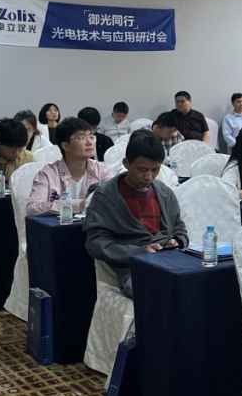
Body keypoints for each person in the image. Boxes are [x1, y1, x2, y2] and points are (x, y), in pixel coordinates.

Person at [83, 130, 188, 299]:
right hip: (132, 270)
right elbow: (96, 243)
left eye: (155, 170)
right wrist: (140, 252)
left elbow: (179, 227)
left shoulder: (165, 193)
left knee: (199, 287)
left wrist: (177, 241)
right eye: (142, 170)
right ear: (126, 163)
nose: (149, 177)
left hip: (170, 263)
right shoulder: (107, 196)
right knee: (163, 294)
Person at [27, 117, 115, 216]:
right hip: (59, 225)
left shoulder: (101, 170)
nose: (89, 142)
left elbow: (114, 200)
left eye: (91, 137)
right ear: (66, 146)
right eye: (81, 138)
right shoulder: (47, 174)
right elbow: (33, 207)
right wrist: (79, 205)